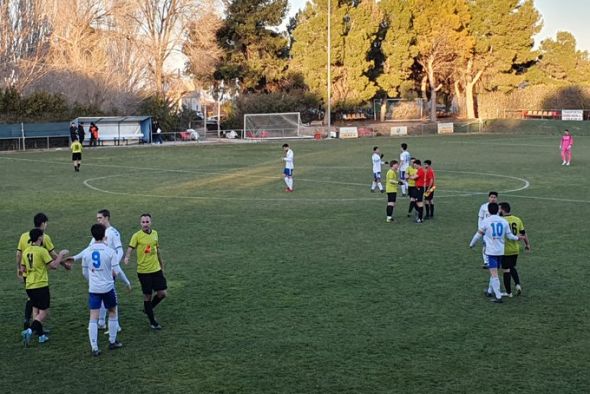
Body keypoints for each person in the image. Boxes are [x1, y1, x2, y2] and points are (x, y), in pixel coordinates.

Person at [69, 224, 129, 356]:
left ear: (92, 236)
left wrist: (92, 281)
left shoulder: (87, 252)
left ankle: (95, 347)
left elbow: (84, 272)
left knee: (93, 316)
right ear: (105, 236)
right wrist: (125, 282)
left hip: (94, 289)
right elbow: (116, 271)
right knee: (112, 311)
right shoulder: (110, 251)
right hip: (108, 288)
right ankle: (112, 341)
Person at [20, 229, 69, 346]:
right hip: (40, 285)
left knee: (35, 309)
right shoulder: (42, 251)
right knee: (44, 312)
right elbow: (54, 266)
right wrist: (61, 255)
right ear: (40, 238)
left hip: (29, 286)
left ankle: (41, 336)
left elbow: (23, 269)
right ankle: (29, 331)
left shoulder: (26, 251)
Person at [469, 202, 521, 303]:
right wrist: (518, 238)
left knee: (494, 273)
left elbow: (478, 235)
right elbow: (510, 236)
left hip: (491, 251)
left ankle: (498, 297)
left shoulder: (486, 221)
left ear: (488, 210)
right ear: (497, 210)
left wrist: (471, 244)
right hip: (501, 251)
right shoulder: (503, 221)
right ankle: (489, 291)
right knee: (494, 271)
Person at [16, 213, 59, 331]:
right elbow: (53, 255)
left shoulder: (24, 236)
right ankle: (34, 328)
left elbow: (19, 254)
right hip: (40, 279)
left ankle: (31, 324)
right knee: (42, 308)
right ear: (43, 223)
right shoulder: (44, 238)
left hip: (28, 277)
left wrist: (18, 269)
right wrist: (64, 261)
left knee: (33, 302)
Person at [124, 214, 167, 329]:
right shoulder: (136, 236)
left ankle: (148, 309)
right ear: (140, 223)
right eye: (143, 222)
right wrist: (127, 257)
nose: (145, 224)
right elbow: (130, 248)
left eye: (147, 221)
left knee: (162, 294)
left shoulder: (155, 234)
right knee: (147, 296)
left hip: (156, 269)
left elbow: (157, 250)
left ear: (150, 222)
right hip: (143, 272)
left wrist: (162, 266)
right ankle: (153, 322)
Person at [91, 209, 130, 332]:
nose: (98, 220)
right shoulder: (99, 232)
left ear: (107, 218)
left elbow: (120, 250)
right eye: (97, 218)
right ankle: (102, 322)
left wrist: (114, 265)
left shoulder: (113, 232)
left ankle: (115, 324)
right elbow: (88, 249)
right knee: (103, 296)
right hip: (102, 270)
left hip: (109, 270)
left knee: (111, 296)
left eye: (100, 218)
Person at [499, 202, 531, 297]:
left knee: (506, 270)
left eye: (499, 209)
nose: (498, 210)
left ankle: (508, 293)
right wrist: (527, 244)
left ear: (503, 210)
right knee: (512, 267)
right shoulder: (517, 219)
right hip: (515, 249)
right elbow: (523, 234)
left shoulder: (500, 221)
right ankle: (517, 285)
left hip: (504, 250)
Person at [478, 192, 498, 269]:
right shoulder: (483, 207)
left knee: (496, 245)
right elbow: (480, 217)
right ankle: (486, 261)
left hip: (495, 230)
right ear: (488, 198)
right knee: (485, 245)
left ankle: (495, 261)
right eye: (491, 197)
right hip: (486, 230)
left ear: (497, 198)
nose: (493, 199)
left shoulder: (499, 207)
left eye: (494, 197)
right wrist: (480, 228)